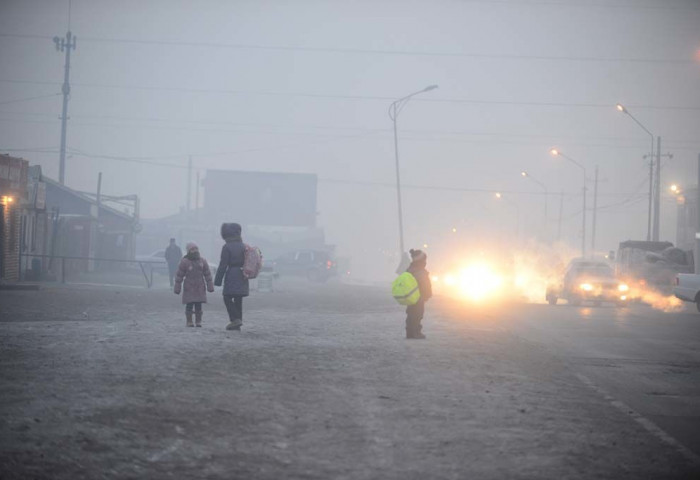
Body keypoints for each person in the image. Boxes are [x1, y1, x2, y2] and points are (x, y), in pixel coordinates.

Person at [214, 223, 249, 331]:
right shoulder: (244, 246)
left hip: (232, 274)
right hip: (243, 274)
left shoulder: (227, 247)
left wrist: (218, 280)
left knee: (227, 297)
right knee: (238, 299)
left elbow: (223, 265)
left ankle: (235, 320)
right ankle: (238, 322)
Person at [174, 242, 214, 327]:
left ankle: (198, 321)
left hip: (200, 286)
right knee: (189, 304)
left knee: (198, 305)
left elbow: (207, 274)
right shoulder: (185, 262)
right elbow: (179, 275)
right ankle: (189, 321)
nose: (195, 250)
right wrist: (177, 287)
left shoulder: (202, 261)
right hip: (189, 286)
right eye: (192, 249)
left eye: (196, 249)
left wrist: (210, 285)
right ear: (188, 251)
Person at [405, 248, 432, 339]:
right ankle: (415, 332)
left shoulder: (410, 269)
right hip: (419, 296)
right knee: (417, 314)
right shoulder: (420, 271)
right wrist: (428, 294)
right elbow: (425, 284)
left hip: (410, 296)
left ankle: (410, 332)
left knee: (410, 314)